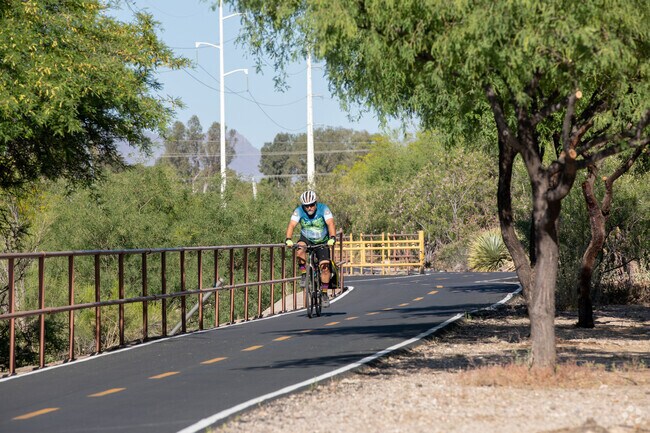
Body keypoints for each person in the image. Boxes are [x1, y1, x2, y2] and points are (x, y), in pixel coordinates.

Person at [285, 190, 337, 307]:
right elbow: (292, 225)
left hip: (322, 240)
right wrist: (288, 239)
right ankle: (304, 274)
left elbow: (330, 223)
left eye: (312, 205)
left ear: (316, 203)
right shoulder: (298, 211)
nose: (309, 208)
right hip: (306, 238)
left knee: (324, 267)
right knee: (300, 250)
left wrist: (332, 238)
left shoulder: (324, 209)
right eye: (306, 206)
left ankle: (324, 293)